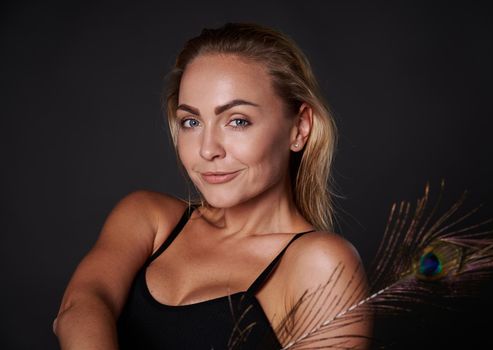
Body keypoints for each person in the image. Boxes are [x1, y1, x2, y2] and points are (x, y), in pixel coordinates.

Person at [53, 22, 373, 349]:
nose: (208, 149)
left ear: (299, 129)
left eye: (237, 121)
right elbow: (81, 306)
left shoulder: (318, 261)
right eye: (191, 122)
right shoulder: (148, 218)